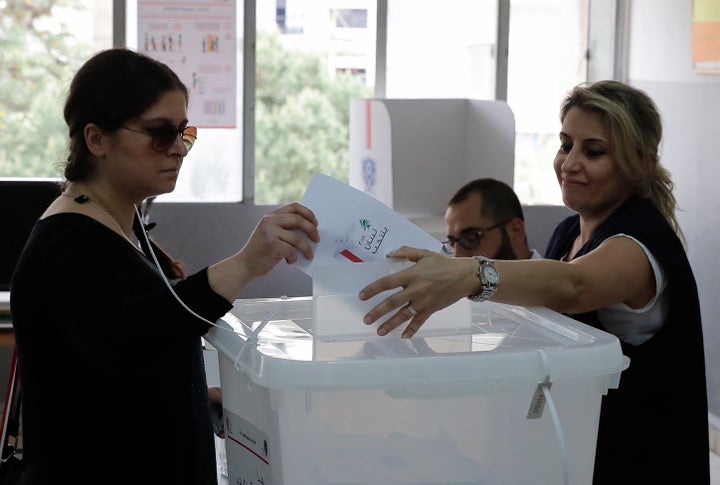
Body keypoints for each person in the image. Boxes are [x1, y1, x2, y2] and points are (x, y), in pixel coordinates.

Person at [359, 80, 709, 484]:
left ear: (641, 164)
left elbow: (574, 286)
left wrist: (470, 272)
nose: (570, 162)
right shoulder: (567, 234)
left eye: (593, 151)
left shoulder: (640, 243)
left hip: (640, 463)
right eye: (565, 144)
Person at [9, 48, 319, 485]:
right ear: (97, 139)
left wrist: (197, 398)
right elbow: (132, 338)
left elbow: (122, 369)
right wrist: (247, 262)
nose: (177, 150)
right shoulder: (69, 244)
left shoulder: (119, 223)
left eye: (183, 132)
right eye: (159, 133)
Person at [443, 177, 541, 259]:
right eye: (452, 243)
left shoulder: (552, 281)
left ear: (516, 232)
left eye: (470, 239)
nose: (457, 256)